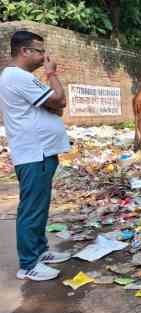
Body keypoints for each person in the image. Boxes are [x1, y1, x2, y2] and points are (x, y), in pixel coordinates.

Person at [0, 31, 71, 281]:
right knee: (32, 208)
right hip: (33, 152)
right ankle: (28, 263)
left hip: (41, 151)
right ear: (24, 51)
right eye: (40, 51)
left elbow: (57, 106)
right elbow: (59, 99)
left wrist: (55, 101)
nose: (44, 56)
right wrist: (51, 74)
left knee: (39, 207)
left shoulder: (25, 78)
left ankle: (40, 252)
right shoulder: (16, 77)